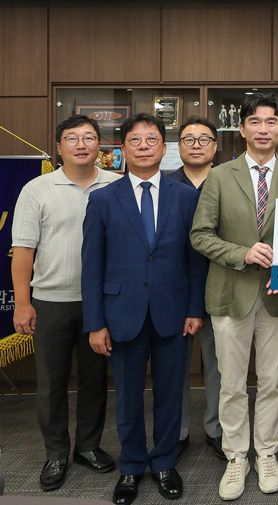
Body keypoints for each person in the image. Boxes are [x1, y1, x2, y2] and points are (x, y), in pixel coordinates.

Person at [82, 113, 206, 505]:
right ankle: (132, 466)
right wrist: (95, 323)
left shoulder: (185, 197)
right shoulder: (103, 199)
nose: (143, 147)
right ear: (122, 149)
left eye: (151, 139)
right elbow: (92, 265)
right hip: (122, 313)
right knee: (128, 396)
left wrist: (195, 308)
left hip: (174, 311)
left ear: (164, 148)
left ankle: (165, 462)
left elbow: (195, 259)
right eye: (134, 141)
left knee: (171, 394)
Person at [191, 92, 278, 500]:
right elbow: (200, 235)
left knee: (273, 380)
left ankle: (267, 452)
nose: (263, 129)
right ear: (242, 129)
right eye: (255, 121)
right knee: (231, 382)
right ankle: (236, 455)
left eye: (271, 121)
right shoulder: (220, 176)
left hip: (277, 294)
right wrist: (242, 253)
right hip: (230, 293)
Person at [11, 115, 118, 492]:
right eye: (72, 138)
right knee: (52, 383)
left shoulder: (116, 185)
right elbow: (23, 251)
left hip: (100, 303)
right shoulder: (36, 189)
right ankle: (56, 452)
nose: (81, 144)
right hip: (51, 300)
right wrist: (22, 303)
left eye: (89, 137)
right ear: (59, 147)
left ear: (100, 145)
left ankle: (88, 446)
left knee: (95, 380)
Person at [168, 117, 225, 462]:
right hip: (174, 290)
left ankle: (216, 429)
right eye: (188, 139)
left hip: (219, 286)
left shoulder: (228, 182)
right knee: (175, 366)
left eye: (204, 139)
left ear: (215, 147)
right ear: (178, 147)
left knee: (219, 366)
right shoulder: (164, 184)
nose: (196, 145)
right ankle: (177, 432)